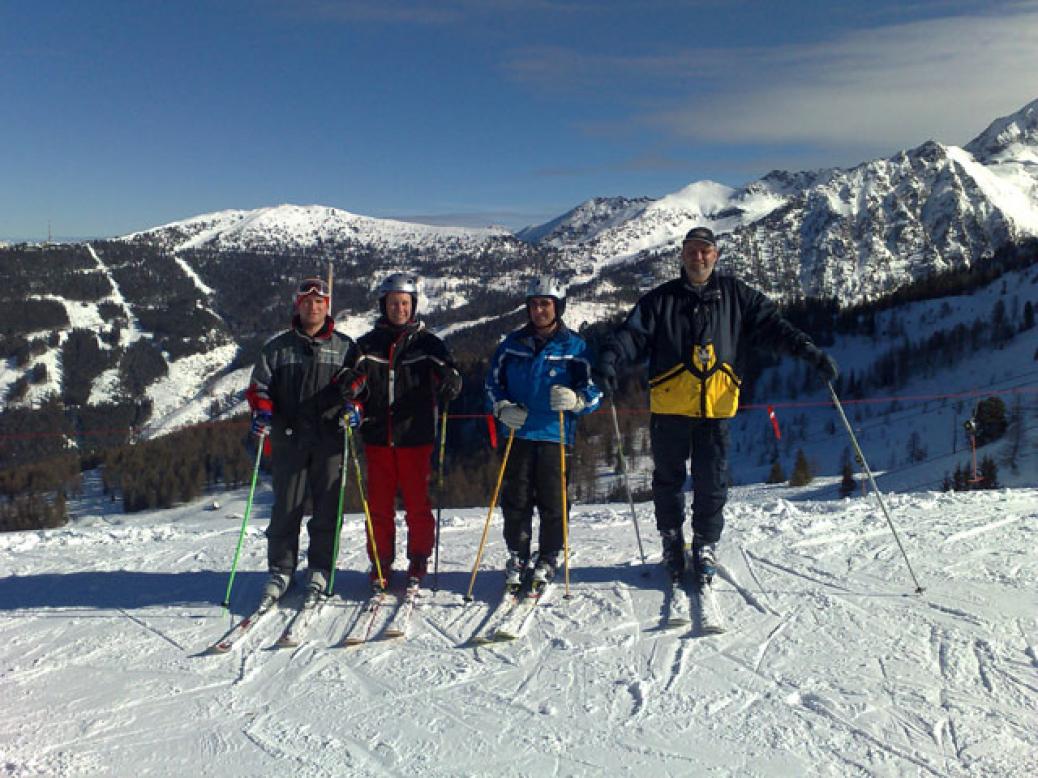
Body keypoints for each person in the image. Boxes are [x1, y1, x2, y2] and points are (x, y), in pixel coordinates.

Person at [594, 227, 838, 588]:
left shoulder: (738, 297)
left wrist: (808, 351)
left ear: (716, 255)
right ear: (682, 255)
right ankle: (672, 541)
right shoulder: (660, 300)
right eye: (692, 251)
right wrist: (609, 361)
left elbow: (774, 327)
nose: (699, 257)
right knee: (668, 482)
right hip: (670, 406)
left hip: (716, 407)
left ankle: (705, 544)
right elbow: (631, 335)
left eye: (705, 251)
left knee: (712, 483)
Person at [245, 277, 363, 608]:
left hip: (329, 438)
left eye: (319, 302)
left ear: (328, 307)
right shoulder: (277, 348)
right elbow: (259, 388)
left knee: (327, 508)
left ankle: (320, 568)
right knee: (286, 507)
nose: (313, 307)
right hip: (289, 438)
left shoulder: (344, 347)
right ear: (298, 305)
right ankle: (281, 569)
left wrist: (354, 407)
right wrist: (263, 411)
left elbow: (360, 384)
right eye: (307, 302)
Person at [485, 277, 602, 591]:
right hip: (518, 433)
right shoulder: (512, 345)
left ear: (558, 307)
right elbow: (492, 385)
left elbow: (594, 391)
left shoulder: (574, 347)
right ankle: (518, 555)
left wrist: (578, 401)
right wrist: (501, 408)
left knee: (554, 500)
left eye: (545, 304)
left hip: (555, 434)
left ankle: (549, 555)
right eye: (534, 304)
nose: (539, 310)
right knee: (516, 499)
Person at [348, 273, 462, 590]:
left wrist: (450, 382)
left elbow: (450, 372)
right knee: (380, 506)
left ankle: (419, 557)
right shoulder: (367, 345)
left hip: (415, 436)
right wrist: (352, 397)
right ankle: (381, 562)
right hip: (378, 437)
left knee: (417, 504)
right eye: (393, 303)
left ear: (413, 306)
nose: (399, 308)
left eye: (405, 303)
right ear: (383, 305)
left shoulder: (428, 344)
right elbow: (354, 381)